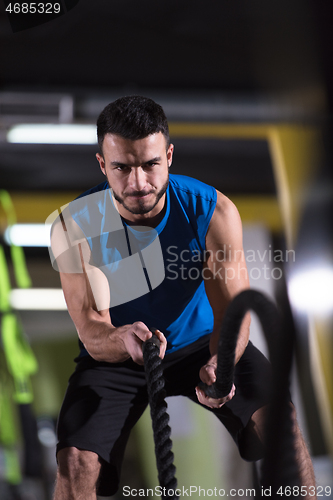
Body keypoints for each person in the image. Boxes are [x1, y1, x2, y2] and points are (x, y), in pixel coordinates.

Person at [50, 96, 315, 499]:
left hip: (206, 342)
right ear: (103, 165)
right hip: (119, 351)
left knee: (282, 426)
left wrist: (221, 361)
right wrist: (120, 339)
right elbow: (91, 327)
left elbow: (232, 307)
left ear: (169, 156)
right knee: (76, 461)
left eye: (150, 165)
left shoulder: (213, 211)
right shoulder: (74, 226)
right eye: (122, 167)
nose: (138, 182)